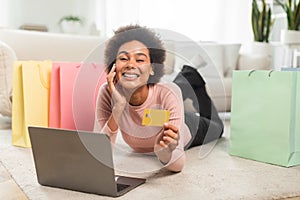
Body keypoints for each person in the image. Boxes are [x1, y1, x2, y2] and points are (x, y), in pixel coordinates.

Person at [95, 24, 223, 173]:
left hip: (189, 123)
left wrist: (163, 152)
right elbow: (98, 153)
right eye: (123, 58)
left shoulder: (167, 93)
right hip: (155, 115)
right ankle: (189, 73)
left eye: (140, 60)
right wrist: (118, 107)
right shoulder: (107, 92)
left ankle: (191, 76)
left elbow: (178, 164)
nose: (130, 64)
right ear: (114, 65)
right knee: (167, 94)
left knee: (217, 127)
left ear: (152, 68)